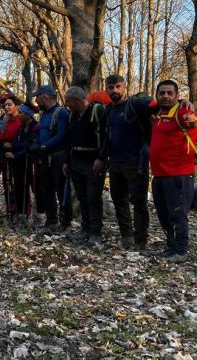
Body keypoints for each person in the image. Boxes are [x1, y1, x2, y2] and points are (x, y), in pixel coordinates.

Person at [97, 74, 153, 250]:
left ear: (124, 87)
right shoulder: (108, 110)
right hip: (115, 163)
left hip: (136, 163)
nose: (114, 90)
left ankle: (141, 240)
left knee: (139, 202)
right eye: (110, 87)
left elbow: (158, 104)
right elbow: (107, 136)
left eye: (117, 86)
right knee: (119, 200)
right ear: (106, 89)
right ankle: (126, 236)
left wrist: (182, 103)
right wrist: (101, 157)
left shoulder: (135, 104)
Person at [149, 80, 197, 262]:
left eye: (170, 93)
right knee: (164, 215)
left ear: (177, 96)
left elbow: (193, 122)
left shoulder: (182, 112)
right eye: (162, 93)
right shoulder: (159, 113)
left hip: (179, 176)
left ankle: (180, 251)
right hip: (159, 176)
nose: (166, 96)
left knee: (178, 215)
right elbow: (147, 103)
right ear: (157, 95)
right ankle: (171, 247)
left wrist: (191, 115)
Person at [62, 87, 107, 247]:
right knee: (82, 197)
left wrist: (101, 158)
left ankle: (95, 232)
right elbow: (69, 139)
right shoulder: (72, 115)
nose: (66, 104)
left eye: (68, 101)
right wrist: (66, 161)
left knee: (93, 197)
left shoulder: (98, 111)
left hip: (93, 162)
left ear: (77, 100)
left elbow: (106, 137)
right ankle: (85, 229)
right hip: (76, 161)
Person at [29, 85, 72, 232]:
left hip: (58, 157)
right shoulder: (44, 114)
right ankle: (51, 220)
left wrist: (43, 146)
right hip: (45, 158)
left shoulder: (61, 113)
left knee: (61, 190)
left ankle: (65, 222)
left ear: (45, 96)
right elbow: (41, 133)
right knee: (46, 189)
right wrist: (36, 143)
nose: (36, 101)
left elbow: (62, 135)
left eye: (37, 97)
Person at [5, 103, 39, 228]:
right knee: (20, 189)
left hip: (32, 164)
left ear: (28, 115)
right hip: (19, 165)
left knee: (36, 190)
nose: (18, 115)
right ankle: (21, 215)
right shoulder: (21, 128)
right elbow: (17, 143)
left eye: (21, 113)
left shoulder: (35, 127)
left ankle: (38, 216)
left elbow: (31, 146)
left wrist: (16, 154)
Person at [0, 95, 23, 223]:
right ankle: (10, 211)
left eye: (9, 105)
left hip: (19, 156)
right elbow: (3, 137)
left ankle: (21, 212)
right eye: (5, 105)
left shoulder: (21, 119)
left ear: (16, 106)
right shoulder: (5, 119)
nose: (6, 107)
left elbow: (25, 139)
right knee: (7, 184)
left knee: (18, 184)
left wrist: (12, 145)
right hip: (5, 156)